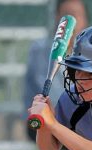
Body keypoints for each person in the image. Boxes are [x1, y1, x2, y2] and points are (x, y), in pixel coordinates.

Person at [24, 0, 88, 142]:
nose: (74, 23)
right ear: (56, 19)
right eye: (67, 15)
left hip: (79, 121)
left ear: (86, 21)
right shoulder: (41, 49)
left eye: (77, 15)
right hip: (42, 119)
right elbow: (52, 95)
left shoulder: (90, 51)